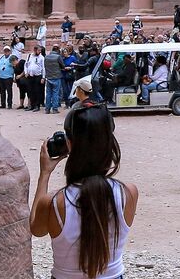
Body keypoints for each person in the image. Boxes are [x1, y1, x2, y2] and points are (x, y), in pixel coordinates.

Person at [31, 104, 139, 279]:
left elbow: (36, 228)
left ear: (69, 144)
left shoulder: (54, 202)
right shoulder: (128, 193)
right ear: (110, 143)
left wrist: (44, 174)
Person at [22, 44, 45, 112]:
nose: (40, 52)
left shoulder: (41, 58)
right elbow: (26, 65)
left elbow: (43, 68)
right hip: (30, 76)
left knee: (37, 91)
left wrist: (43, 77)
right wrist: (26, 72)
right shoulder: (29, 56)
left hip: (37, 76)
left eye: (40, 51)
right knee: (30, 91)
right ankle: (31, 105)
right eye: (38, 50)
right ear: (35, 50)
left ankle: (37, 105)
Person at [44, 44, 64, 114]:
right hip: (56, 77)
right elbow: (63, 66)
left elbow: (45, 66)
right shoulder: (58, 57)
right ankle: (55, 108)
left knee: (48, 93)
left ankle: (47, 109)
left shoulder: (46, 57)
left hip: (49, 77)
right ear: (58, 50)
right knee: (55, 93)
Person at [0, 45, 16, 110]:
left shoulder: (12, 57)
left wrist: (14, 76)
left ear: (10, 51)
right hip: (0, 76)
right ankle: (3, 104)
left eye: (7, 51)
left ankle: (9, 104)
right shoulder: (1, 57)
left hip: (8, 77)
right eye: (5, 51)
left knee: (9, 91)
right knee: (2, 91)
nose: (6, 52)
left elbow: (15, 66)